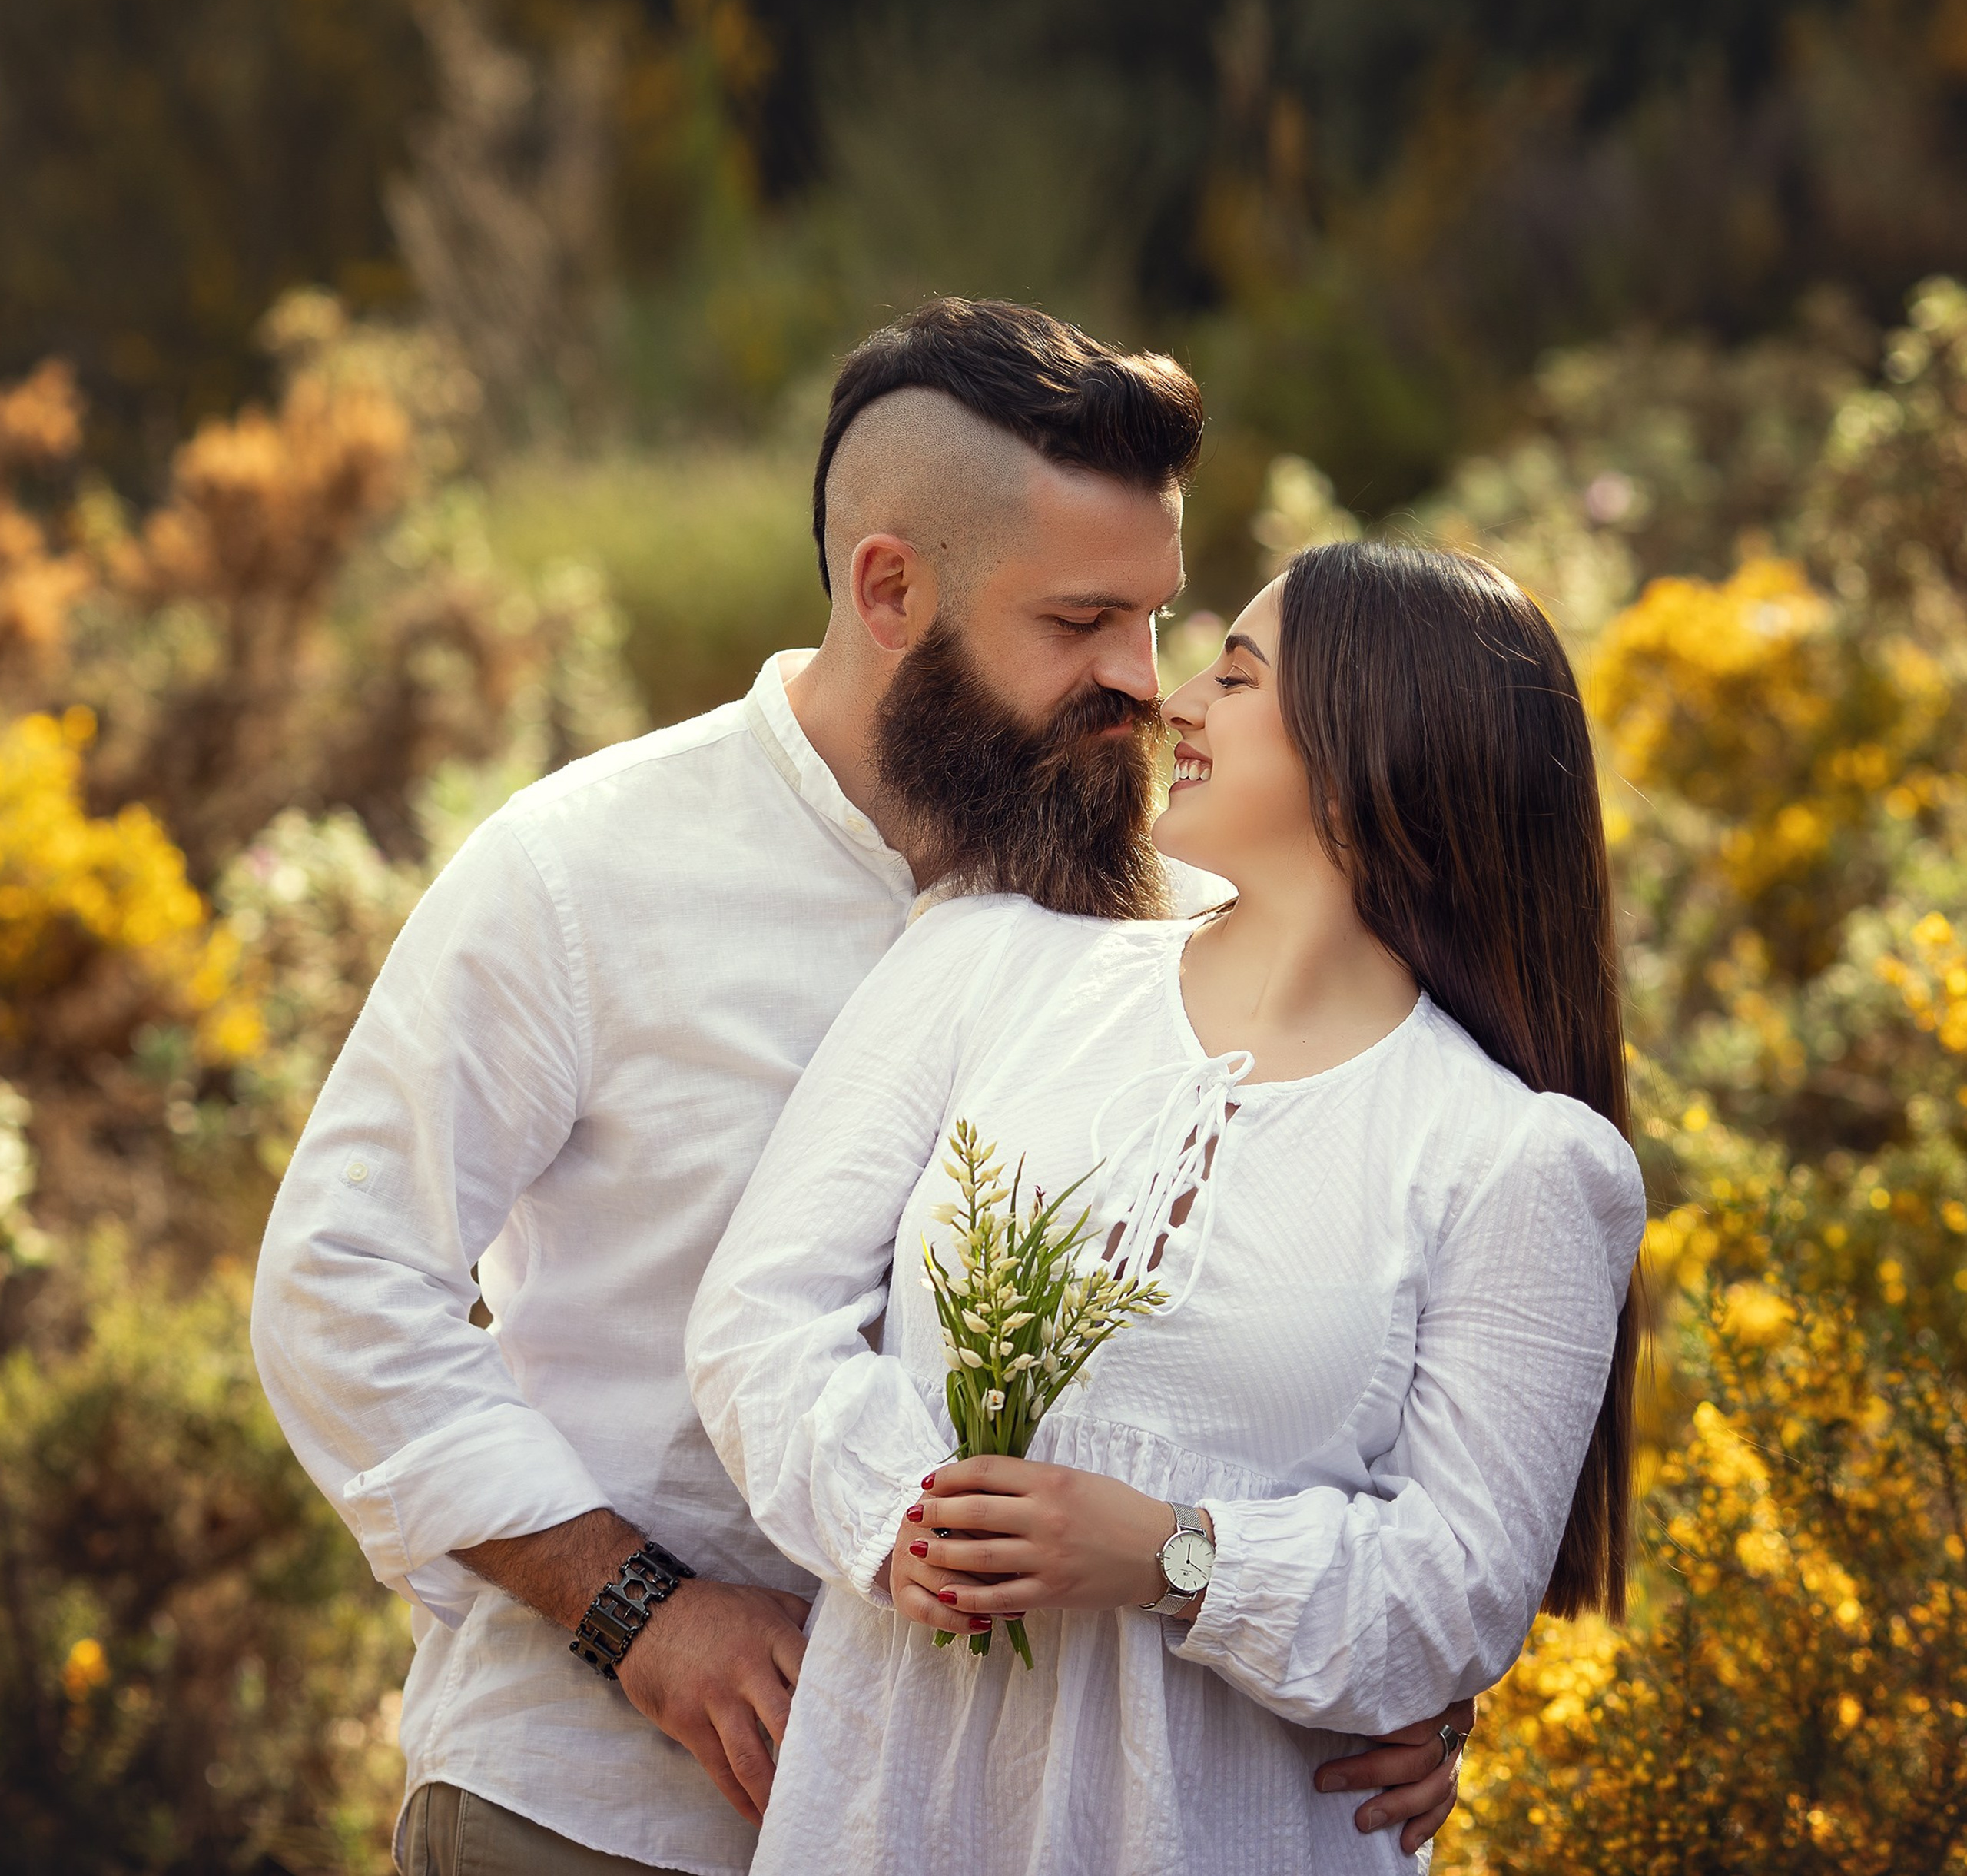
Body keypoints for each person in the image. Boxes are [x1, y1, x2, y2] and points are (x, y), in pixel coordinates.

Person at [251, 301, 1470, 1876]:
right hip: (594, 1802)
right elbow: (343, 1283)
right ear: (888, 585)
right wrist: (637, 1609)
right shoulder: (582, 872)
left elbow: (1313, 1337)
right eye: (1078, 621)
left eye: (1160, 620)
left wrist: (1392, 1659)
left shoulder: (1180, 917)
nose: (1144, 684)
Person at [687, 537, 1648, 1874]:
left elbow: (1456, 1596)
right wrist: (911, 1522)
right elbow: (758, 1323)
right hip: (892, 1816)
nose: (1174, 702)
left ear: (1378, 743)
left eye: (1236, 678)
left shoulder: (1518, 1159)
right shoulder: (986, 964)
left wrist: (1169, 1557)